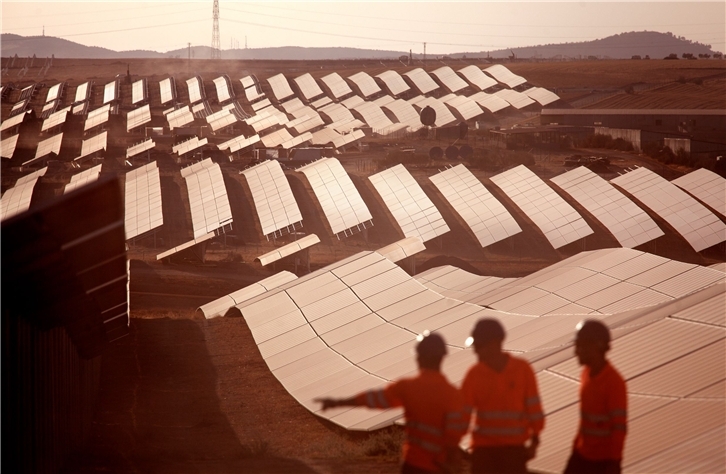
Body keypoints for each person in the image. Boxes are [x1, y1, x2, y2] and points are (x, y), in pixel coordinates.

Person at [316, 331, 467, 474]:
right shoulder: (453, 395)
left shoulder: (409, 387)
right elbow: (455, 434)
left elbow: (374, 398)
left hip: (413, 464)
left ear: (420, 358)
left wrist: (338, 402)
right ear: (441, 358)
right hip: (438, 466)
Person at [461, 318, 544, 474]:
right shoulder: (474, 374)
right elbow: (462, 416)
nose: (476, 351)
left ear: (495, 343)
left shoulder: (522, 370)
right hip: (484, 452)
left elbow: (534, 409)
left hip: (513, 452)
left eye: (479, 346)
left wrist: (535, 441)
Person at [564, 319, 627, 474]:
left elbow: (619, 428)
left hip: (603, 464)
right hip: (582, 457)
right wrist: (575, 449)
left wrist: (613, 463)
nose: (576, 351)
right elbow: (585, 422)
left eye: (581, 346)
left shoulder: (614, 383)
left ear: (597, 346)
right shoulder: (586, 375)